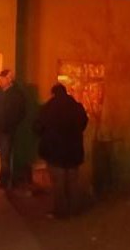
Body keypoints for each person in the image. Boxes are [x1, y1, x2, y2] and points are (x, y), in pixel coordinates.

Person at [34, 84, 89, 218]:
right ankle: (74, 210)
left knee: (58, 183)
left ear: (53, 94)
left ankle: (61, 212)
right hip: (73, 151)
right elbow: (84, 123)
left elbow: (37, 127)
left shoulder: (48, 108)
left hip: (55, 152)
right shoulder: (77, 107)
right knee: (72, 182)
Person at [0, 68, 26, 189]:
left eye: (3, 77)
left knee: (5, 160)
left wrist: (9, 126)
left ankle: (3, 184)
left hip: (6, 133)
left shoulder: (17, 95)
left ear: (9, 79)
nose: (0, 80)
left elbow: (21, 113)